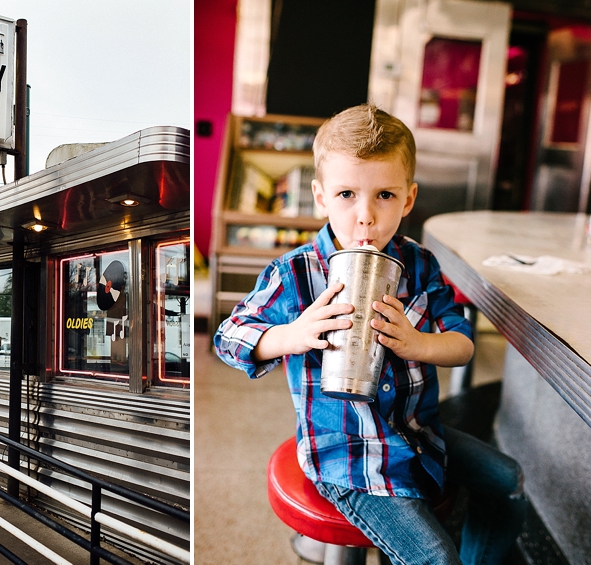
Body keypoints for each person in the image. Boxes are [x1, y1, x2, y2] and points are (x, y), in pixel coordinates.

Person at [214, 104, 526, 565]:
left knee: (508, 480)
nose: (365, 216)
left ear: (409, 199)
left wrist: (418, 343)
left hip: (418, 433)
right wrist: (292, 335)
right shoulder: (295, 272)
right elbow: (229, 336)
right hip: (346, 456)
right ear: (320, 196)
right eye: (346, 194)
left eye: (384, 195)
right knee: (436, 558)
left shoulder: (420, 265)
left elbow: (462, 344)